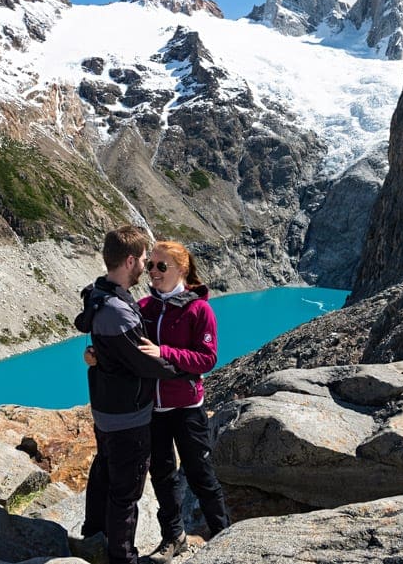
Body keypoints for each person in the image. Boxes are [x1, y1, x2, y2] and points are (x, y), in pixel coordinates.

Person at [74, 226, 189, 564]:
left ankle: (93, 537)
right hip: (128, 414)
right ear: (128, 260)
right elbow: (144, 362)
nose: (146, 266)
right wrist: (184, 370)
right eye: (142, 259)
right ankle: (122, 556)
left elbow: (107, 348)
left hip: (106, 410)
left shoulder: (99, 293)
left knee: (105, 473)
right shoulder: (119, 311)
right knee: (126, 492)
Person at [136, 241, 231, 563]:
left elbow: (207, 359)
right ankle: (172, 537)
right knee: (162, 475)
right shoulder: (145, 307)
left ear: (182, 270)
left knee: (200, 473)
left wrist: (164, 353)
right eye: (150, 265)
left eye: (162, 266)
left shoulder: (199, 309)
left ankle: (225, 537)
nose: (153, 272)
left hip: (187, 408)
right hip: (154, 409)